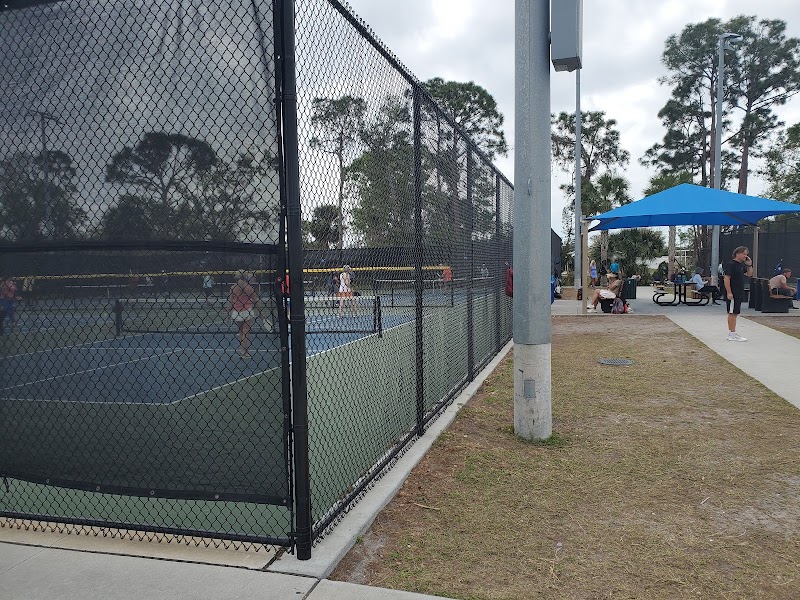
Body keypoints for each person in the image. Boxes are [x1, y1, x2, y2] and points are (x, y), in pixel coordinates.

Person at [723, 246, 753, 342]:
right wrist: (729, 292)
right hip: (733, 292)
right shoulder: (731, 264)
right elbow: (726, 278)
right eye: (744, 254)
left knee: (735, 312)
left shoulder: (740, 265)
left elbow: (749, 274)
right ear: (738, 254)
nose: (745, 256)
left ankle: (733, 333)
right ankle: (731, 333)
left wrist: (749, 265)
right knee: (732, 312)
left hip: (739, 292)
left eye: (746, 254)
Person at [228, 270, 258, 358]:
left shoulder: (233, 288)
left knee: (241, 333)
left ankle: (243, 350)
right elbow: (255, 301)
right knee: (245, 333)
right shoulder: (249, 288)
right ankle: (243, 352)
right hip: (247, 312)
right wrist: (260, 313)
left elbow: (230, 302)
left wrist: (228, 313)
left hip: (236, 313)